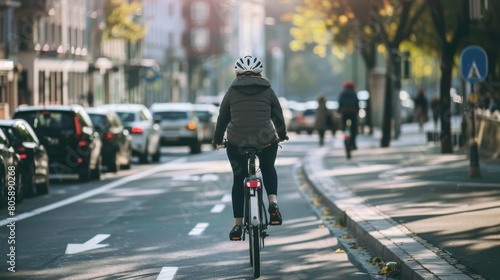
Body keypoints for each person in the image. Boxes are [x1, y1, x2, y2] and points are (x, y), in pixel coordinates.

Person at [212, 55, 289, 241]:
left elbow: (223, 118)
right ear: (260, 73)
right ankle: (273, 203)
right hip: (265, 141)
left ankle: (237, 226)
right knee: (268, 167)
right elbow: (277, 115)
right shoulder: (268, 89)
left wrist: (217, 139)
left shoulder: (231, 91)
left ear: (237, 73)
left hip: (237, 142)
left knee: (239, 178)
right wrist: (281, 134)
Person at [338, 81, 359, 150]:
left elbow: (340, 103)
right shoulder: (354, 93)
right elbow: (357, 103)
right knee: (354, 129)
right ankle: (352, 143)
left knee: (344, 128)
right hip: (353, 112)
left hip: (344, 112)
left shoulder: (342, 94)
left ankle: (346, 140)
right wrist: (357, 111)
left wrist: (339, 111)